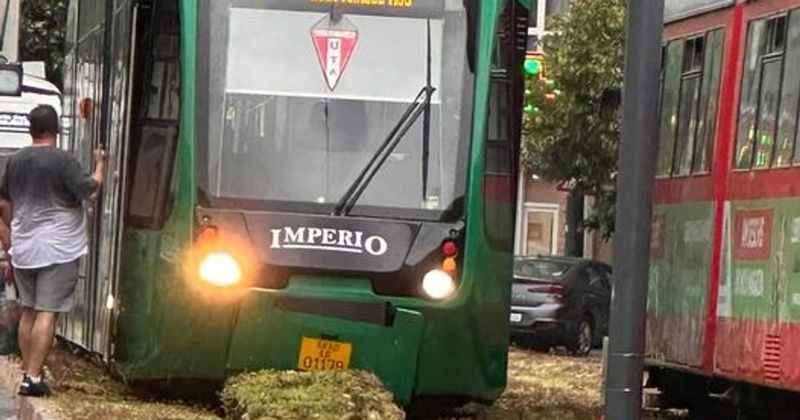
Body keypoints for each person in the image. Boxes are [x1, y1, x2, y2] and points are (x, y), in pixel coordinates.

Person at [0, 104, 105, 397]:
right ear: (56, 130)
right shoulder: (63, 161)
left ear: (31, 130)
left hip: (24, 249)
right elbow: (90, 190)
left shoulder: (14, 161)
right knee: (47, 312)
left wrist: (10, 236)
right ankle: (33, 378)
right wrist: (100, 165)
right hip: (58, 250)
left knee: (29, 311)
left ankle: (28, 371)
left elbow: (4, 203)